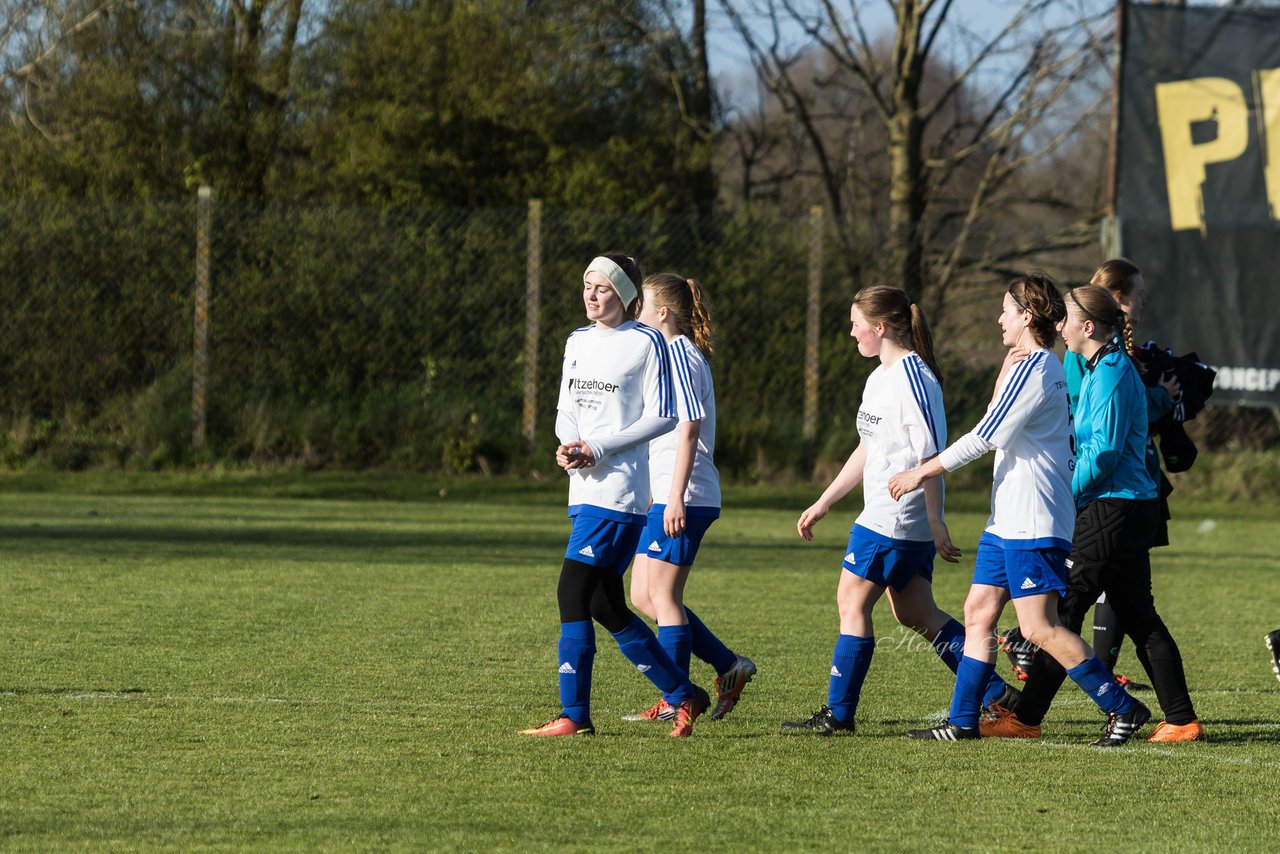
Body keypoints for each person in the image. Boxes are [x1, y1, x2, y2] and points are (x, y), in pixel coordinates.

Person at [888, 273, 1151, 746]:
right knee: (979, 610)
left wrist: (921, 472)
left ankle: (1123, 707)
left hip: (1034, 518)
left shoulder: (1037, 369)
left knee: (1039, 626)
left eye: (1006, 310)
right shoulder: (1024, 366)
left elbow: (987, 435)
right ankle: (963, 721)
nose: (998, 318)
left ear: (1027, 317)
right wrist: (1001, 374)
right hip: (1007, 519)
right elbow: (997, 418)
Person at [779, 286, 1019, 737]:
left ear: (880, 327)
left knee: (851, 602)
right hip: (890, 516)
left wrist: (934, 520)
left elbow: (932, 455)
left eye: (856, 324)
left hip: (894, 518)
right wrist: (825, 500)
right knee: (915, 613)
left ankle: (839, 714)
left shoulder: (914, 377)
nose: (851, 333)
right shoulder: (880, 377)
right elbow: (870, 448)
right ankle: (995, 693)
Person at [981, 284, 1204, 743]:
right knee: (1137, 615)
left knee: (1061, 613)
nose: (1056, 324)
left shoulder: (1112, 373)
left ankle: (1025, 718)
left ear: (1087, 327)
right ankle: (1181, 720)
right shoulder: (1095, 366)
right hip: (1122, 506)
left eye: (1064, 317)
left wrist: (1066, 494)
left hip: (1114, 507)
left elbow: (1102, 455)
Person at [518, 254, 710, 738]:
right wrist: (566, 445)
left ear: (624, 296)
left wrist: (598, 448)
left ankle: (574, 715)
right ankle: (683, 694)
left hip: (621, 494)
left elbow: (665, 417)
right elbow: (566, 407)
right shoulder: (577, 341)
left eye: (602, 287)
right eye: (586, 284)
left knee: (571, 592)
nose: (590, 293)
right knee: (606, 606)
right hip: (583, 489)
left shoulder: (646, 343)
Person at [623, 273, 757, 724]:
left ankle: (678, 698)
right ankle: (727, 666)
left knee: (662, 595)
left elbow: (689, 429)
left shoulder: (679, 353)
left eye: (640, 305)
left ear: (662, 313)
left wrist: (674, 496)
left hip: (686, 491)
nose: (634, 312)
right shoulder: (669, 352)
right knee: (644, 594)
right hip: (666, 490)